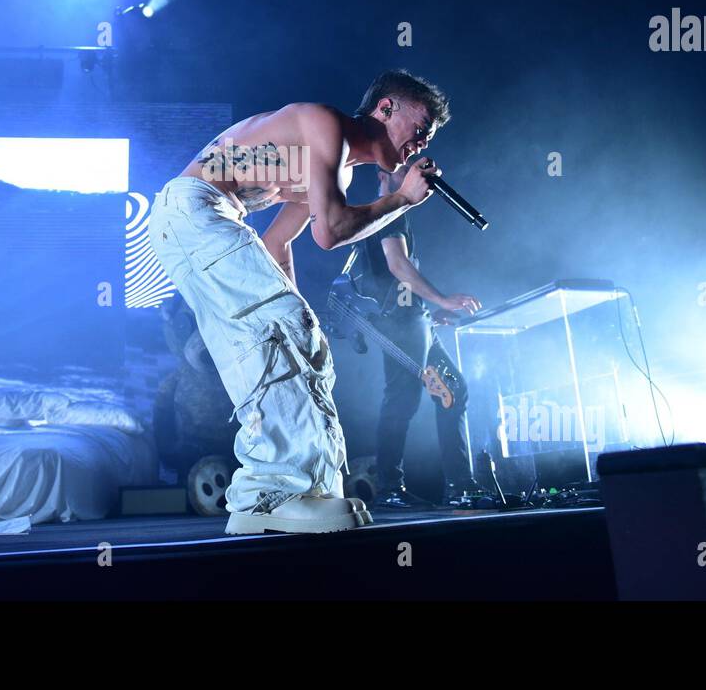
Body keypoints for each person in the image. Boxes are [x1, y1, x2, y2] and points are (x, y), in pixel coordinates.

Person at [149, 69, 450, 533]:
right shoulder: (325, 124)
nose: (421, 143)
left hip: (205, 221)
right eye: (421, 127)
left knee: (303, 346)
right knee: (288, 334)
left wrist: (296, 315)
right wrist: (404, 201)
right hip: (196, 209)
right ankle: (272, 492)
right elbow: (330, 232)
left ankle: (299, 492)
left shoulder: (339, 169)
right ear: (386, 108)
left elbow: (279, 244)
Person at [355, 160, 485, 508]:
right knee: (404, 398)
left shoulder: (391, 213)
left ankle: (457, 487)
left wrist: (430, 310)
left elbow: (396, 275)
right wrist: (440, 298)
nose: (418, 177)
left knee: (450, 390)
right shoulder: (389, 212)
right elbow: (398, 265)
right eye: (405, 170)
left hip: (412, 319)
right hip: (401, 323)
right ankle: (390, 490)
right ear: (384, 177)